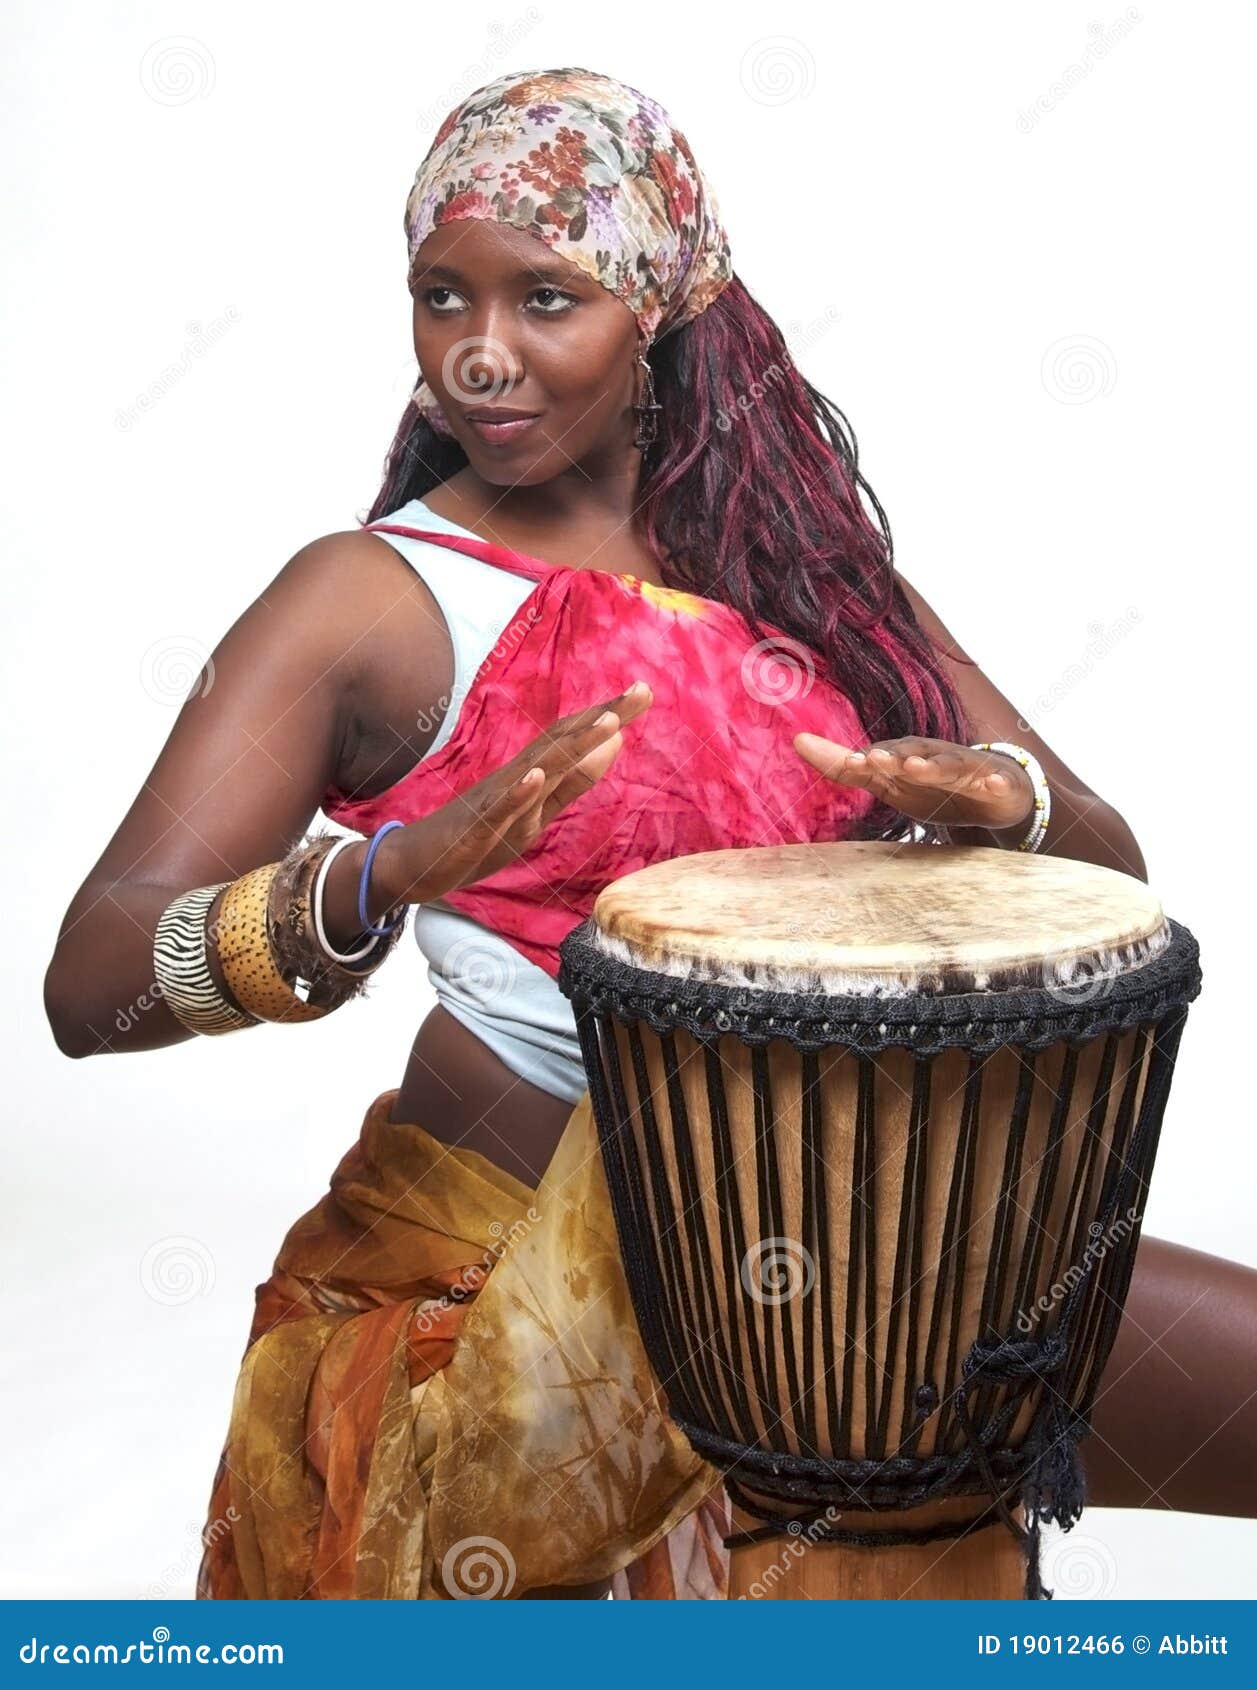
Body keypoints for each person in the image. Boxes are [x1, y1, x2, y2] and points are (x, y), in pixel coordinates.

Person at [44, 66, 1255, 1601]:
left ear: (661, 311)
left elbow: (1107, 875)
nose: (478, 355)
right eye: (439, 296)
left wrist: (998, 796)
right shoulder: (368, 596)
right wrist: (377, 874)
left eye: (545, 297)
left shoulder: (797, 571)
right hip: (500, 1316)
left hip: (867, 1270)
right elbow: (90, 984)